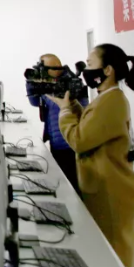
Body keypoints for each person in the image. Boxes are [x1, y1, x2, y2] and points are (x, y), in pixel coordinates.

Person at [48, 44, 134, 267]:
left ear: (108, 70)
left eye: (90, 64)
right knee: (119, 257)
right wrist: (73, 105)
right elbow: (92, 126)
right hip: (108, 188)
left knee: (119, 264)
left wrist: (65, 111)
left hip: (112, 193)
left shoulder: (112, 101)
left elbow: (80, 139)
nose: (86, 69)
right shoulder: (107, 99)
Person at [26, 54, 88, 196]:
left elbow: (84, 113)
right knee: (63, 185)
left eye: (44, 68)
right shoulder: (47, 84)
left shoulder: (71, 83)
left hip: (70, 143)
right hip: (56, 142)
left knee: (74, 188)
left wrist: (60, 96)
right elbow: (35, 102)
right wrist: (32, 84)